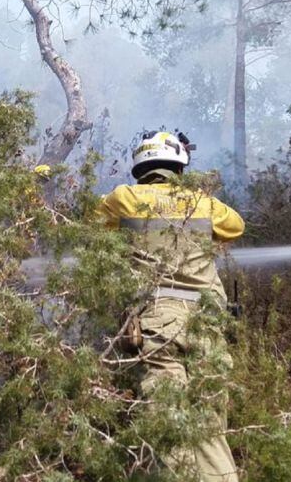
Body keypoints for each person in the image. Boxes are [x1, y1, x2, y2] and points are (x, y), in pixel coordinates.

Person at [95, 130, 244, 482]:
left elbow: (93, 230)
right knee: (209, 429)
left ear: (140, 166)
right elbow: (235, 227)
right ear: (179, 167)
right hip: (207, 324)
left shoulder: (125, 197)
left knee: (168, 427)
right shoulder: (202, 203)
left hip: (157, 326)